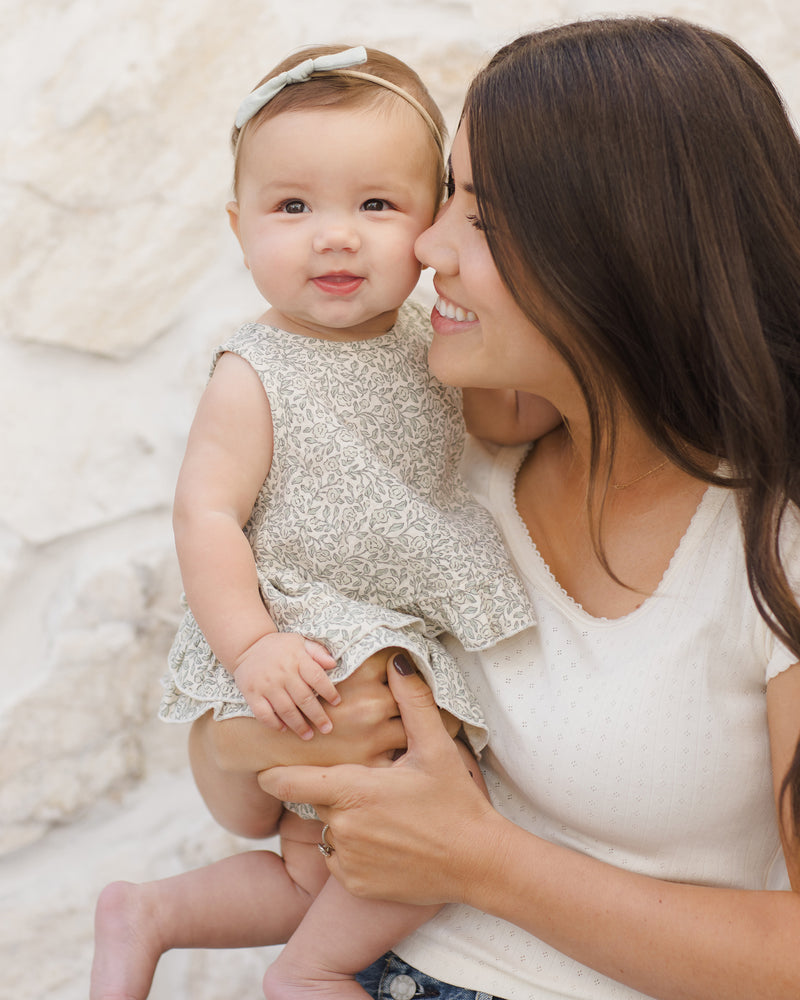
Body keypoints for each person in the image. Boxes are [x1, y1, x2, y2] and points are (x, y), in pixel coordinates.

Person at [190, 16, 800, 1000]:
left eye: (474, 212)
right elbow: (236, 798)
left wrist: (482, 859)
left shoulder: (771, 545)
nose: (425, 244)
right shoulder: (445, 457)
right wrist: (243, 737)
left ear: (610, 249)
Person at [90, 42, 559, 1000]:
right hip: (305, 638)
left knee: (323, 870)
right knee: (451, 815)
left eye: (376, 205)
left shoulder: (437, 340)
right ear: (238, 226)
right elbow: (208, 514)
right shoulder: (253, 369)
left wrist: (581, 370)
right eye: (293, 207)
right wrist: (252, 645)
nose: (335, 237)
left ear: (431, 220)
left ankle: (153, 913)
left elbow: (507, 417)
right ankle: (307, 972)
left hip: (393, 631)